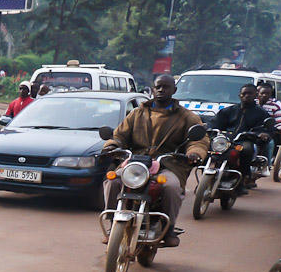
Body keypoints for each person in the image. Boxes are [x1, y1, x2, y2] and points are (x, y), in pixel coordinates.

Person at [102, 74, 208, 247]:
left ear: (174, 90)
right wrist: (112, 145)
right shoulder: (137, 113)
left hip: (169, 164)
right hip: (137, 163)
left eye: (166, 87)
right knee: (113, 181)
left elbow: (198, 141)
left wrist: (195, 153)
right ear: (152, 89)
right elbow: (119, 135)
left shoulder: (186, 116)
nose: (161, 90)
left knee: (171, 187)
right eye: (158, 86)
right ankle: (112, 222)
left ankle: (169, 227)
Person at [209, 83, 271, 193]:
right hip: (226, 139)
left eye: (250, 93)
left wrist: (261, 134)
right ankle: (208, 173)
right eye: (244, 93)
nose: (247, 96)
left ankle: (241, 180)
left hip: (245, 140)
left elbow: (265, 129)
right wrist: (209, 128)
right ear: (240, 95)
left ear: (256, 95)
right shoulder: (228, 111)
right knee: (209, 147)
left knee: (246, 150)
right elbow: (215, 123)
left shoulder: (261, 113)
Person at [256, 82, 281, 164]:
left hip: (267, 130)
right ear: (258, 93)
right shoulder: (252, 103)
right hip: (251, 130)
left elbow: (279, 120)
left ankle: (267, 164)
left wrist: (280, 128)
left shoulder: (275, 106)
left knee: (270, 143)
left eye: (267, 93)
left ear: (271, 94)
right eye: (262, 93)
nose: (264, 95)